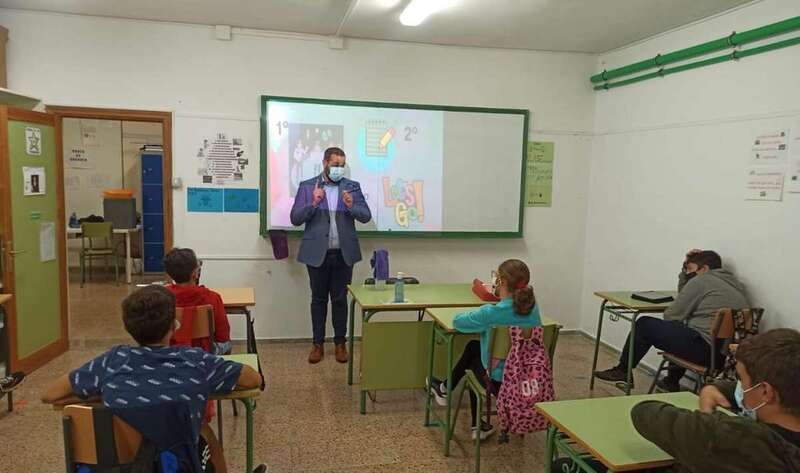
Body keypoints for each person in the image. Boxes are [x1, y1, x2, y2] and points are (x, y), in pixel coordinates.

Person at [41, 286, 266, 473]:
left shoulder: (112, 361)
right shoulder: (195, 361)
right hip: (179, 464)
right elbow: (253, 380)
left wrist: (100, 393)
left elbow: (50, 395)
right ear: (173, 326)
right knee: (204, 430)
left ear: (128, 327)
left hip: (121, 466)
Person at [554, 329, 800, 473]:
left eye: (742, 380)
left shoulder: (735, 438)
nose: (740, 388)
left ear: (766, 392)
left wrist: (708, 419)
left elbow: (645, 413)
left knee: (566, 465)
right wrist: (716, 387)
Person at [594, 249, 748, 391]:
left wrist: (685, 278)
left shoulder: (702, 281)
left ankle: (623, 371)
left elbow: (671, 315)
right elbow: (685, 298)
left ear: (704, 269)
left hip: (704, 351)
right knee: (681, 329)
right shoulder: (735, 285)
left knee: (644, 324)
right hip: (724, 358)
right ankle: (671, 382)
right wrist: (686, 273)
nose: (688, 273)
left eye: (690, 269)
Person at [428, 259, 541, 441]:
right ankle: (448, 392)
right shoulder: (533, 309)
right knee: (475, 348)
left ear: (502, 283)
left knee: (475, 359)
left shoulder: (491, 313)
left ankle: (447, 391)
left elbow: (458, 322)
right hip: (528, 378)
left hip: (500, 382)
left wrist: (482, 311)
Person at [290, 147, 371, 364]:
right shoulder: (308, 186)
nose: (339, 169)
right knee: (318, 300)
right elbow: (295, 218)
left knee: (340, 300)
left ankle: (340, 344)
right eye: (335, 165)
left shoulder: (352, 187)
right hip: (317, 254)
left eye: (342, 165)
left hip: (343, 254)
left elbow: (366, 216)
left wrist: (352, 206)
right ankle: (317, 344)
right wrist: (313, 203)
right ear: (325, 162)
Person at [163, 247, 231, 355]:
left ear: (169, 273)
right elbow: (223, 336)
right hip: (204, 352)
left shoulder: (162, 297)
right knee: (227, 343)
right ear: (195, 273)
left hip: (171, 351)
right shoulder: (213, 298)